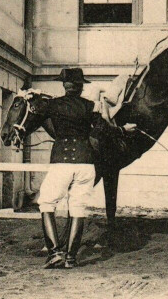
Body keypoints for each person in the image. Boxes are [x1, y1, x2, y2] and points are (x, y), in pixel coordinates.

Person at [36, 67, 134, 269]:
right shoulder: (91, 106)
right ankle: (71, 258)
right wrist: (122, 129)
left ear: (64, 85)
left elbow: (34, 116)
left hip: (61, 161)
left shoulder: (52, 105)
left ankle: (55, 253)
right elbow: (105, 130)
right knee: (78, 207)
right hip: (86, 163)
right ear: (81, 88)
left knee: (46, 203)